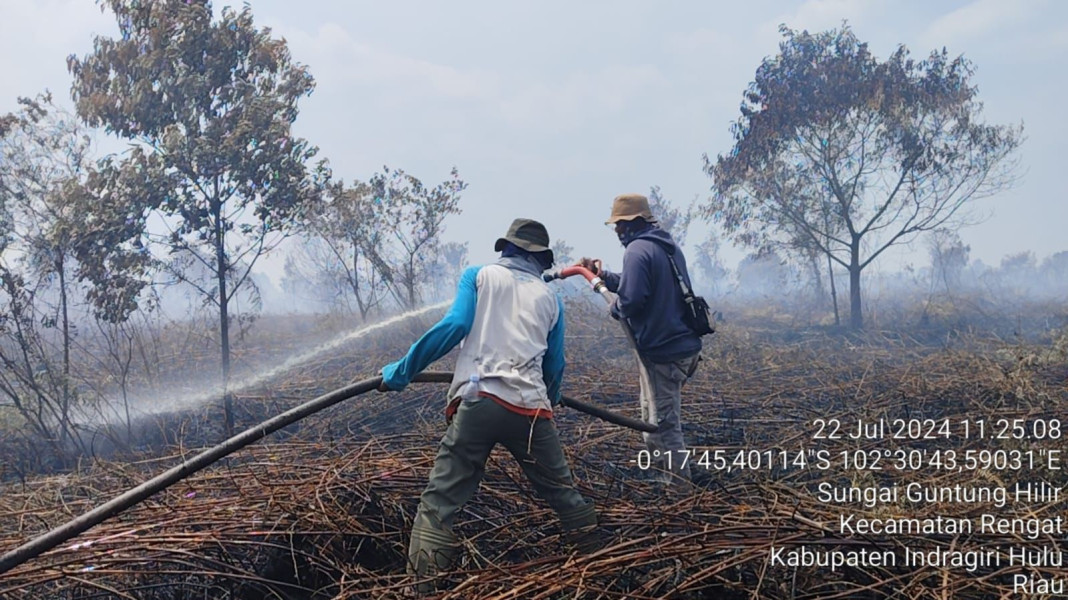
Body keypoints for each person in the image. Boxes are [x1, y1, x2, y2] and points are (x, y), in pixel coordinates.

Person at [378, 218, 597, 592]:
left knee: (440, 502)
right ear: (540, 259)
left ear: (506, 249)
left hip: (478, 402)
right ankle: (604, 568)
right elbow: (554, 366)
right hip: (531, 412)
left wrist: (400, 373)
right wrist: (552, 396)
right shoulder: (551, 299)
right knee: (564, 494)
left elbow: (454, 326)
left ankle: (422, 589)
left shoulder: (478, 275)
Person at [579, 193, 702, 487]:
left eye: (620, 225)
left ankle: (678, 489)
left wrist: (616, 307)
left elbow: (632, 299)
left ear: (634, 222)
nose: (618, 232)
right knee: (654, 419)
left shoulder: (636, 250)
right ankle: (665, 476)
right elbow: (639, 283)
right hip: (682, 347)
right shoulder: (664, 246)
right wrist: (603, 276)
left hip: (664, 353)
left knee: (663, 425)